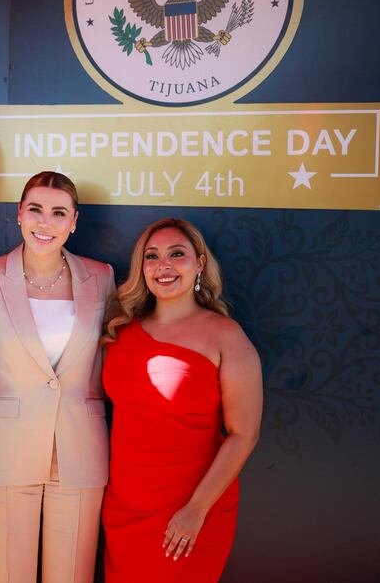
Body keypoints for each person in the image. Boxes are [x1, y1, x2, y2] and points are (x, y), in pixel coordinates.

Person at [0, 171, 115, 583]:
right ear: (20, 214)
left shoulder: (102, 278)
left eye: (59, 212)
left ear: (74, 221)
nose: (46, 222)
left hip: (79, 454)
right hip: (4, 458)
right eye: (36, 210)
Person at [101, 218, 262, 582]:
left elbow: (243, 434)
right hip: (123, 507)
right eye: (152, 256)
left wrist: (197, 509)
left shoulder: (225, 335)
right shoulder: (120, 332)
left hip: (190, 511)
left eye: (178, 254)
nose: (164, 265)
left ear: (200, 263)